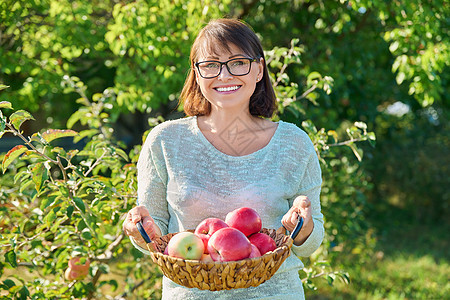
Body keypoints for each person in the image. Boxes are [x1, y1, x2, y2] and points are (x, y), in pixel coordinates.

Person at [122, 18, 324, 300]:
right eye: (211, 65)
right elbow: (153, 239)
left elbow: (309, 244)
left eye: (238, 62)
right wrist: (140, 230)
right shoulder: (165, 141)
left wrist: (302, 227)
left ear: (259, 70)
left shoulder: (293, 143)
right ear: (196, 73)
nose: (224, 75)